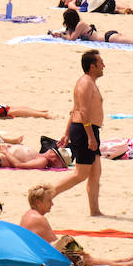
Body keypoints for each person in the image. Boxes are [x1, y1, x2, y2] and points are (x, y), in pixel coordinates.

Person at [18, 184, 133, 266]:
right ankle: (128, 264)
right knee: (87, 259)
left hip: (33, 255)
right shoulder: (39, 219)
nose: (52, 204)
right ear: (38, 203)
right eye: (49, 201)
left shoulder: (27, 215)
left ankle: (121, 261)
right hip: (40, 259)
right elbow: (56, 244)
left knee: (84, 255)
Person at [53, 50, 106, 217]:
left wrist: (66, 133)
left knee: (95, 172)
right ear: (92, 66)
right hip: (84, 131)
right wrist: (90, 137)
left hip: (88, 130)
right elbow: (82, 112)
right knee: (80, 174)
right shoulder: (85, 83)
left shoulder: (90, 82)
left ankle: (95, 211)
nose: (104, 66)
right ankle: (45, 195)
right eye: (101, 63)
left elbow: (74, 110)